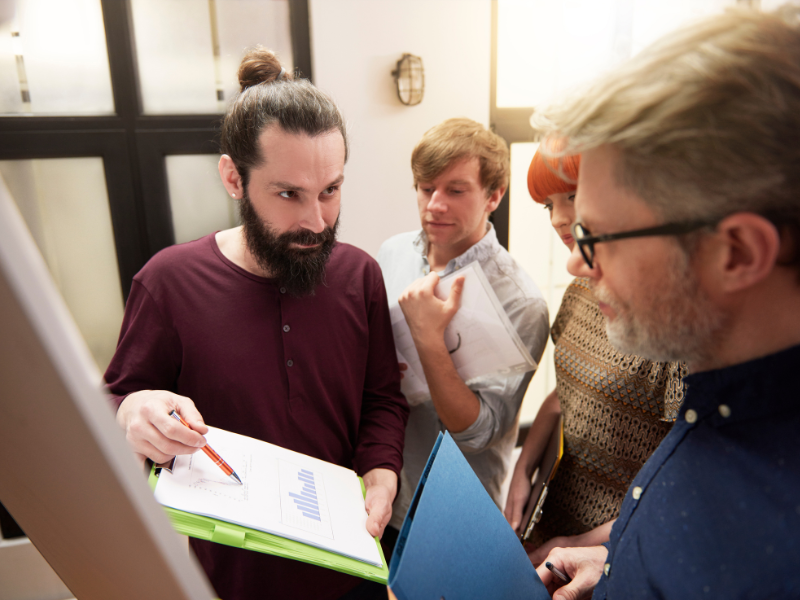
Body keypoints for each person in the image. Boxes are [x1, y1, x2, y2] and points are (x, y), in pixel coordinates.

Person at [104, 48, 409, 600]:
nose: (317, 221)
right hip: (231, 581)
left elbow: (382, 398)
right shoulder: (168, 283)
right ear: (233, 178)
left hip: (353, 567)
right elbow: (115, 404)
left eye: (331, 191)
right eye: (289, 194)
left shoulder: (361, 275)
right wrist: (132, 412)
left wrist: (384, 472)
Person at [530, 6, 800, 599]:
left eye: (598, 238)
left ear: (736, 253)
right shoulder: (714, 396)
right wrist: (617, 566)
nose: (577, 262)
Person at [503, 141, 685, 566]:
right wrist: (522, 470)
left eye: (572, 195)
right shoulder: (581, 288)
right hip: (553, 510)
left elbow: (678, 485)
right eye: (548, 204)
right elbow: (567, 393)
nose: (558, 218)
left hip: (616, 541)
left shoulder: (671, 332)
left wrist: (580, 546)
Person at [376, 118, 550, 549]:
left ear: (494, 195)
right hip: (386, 487)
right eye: (424, 187)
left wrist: (429, 339)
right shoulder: (393, 251)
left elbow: (478, 433)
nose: (434, 205)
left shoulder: (521, 302)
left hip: (457, 512)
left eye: (455, 190)